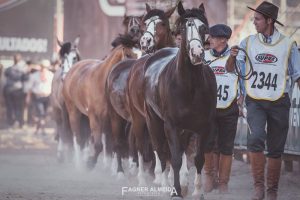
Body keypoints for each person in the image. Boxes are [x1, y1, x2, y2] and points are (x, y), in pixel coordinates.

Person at [226, 1, 300, 200]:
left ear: (269, 20)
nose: (253, 22)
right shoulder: (247, 43)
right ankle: (258, 187)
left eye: (257, 19)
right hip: (255, 101)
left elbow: (297, 75)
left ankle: (272, 191)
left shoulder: (288, 45)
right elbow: (231, 69)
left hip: (280, 102)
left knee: (276, 147)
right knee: (255, 138)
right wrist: (232, 57)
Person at [203, 24, 242, 194]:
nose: (209, 40)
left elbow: (243, 79)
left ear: (223, 40)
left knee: (227, 146)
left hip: (229, 107)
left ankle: (223, 182)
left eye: (212, 37)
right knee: (208, 144)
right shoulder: (203, 56)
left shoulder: (237, 57)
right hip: (208, 109)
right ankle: (209, 177)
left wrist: (243, 98)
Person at [25, 59, 54, 135]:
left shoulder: (51, 75)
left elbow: (53, 87)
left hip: (47, 97)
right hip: (38, 97)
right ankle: (43, 130)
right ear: (40, 67)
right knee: (41, 113)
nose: (44, 68)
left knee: (44, 114)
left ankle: (38, 129)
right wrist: (28, 97)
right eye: (43, 67)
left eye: (45, 67)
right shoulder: (34, 75)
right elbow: (30, 87)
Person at [3, 54, 27, 128]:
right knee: (18, 107)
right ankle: (18, 122)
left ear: (13, 60)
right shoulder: (23, 70)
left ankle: (12, 122)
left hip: (11, 90)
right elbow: (25, 80)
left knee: (11, 107)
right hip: (17, 91)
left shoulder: (9, 69)